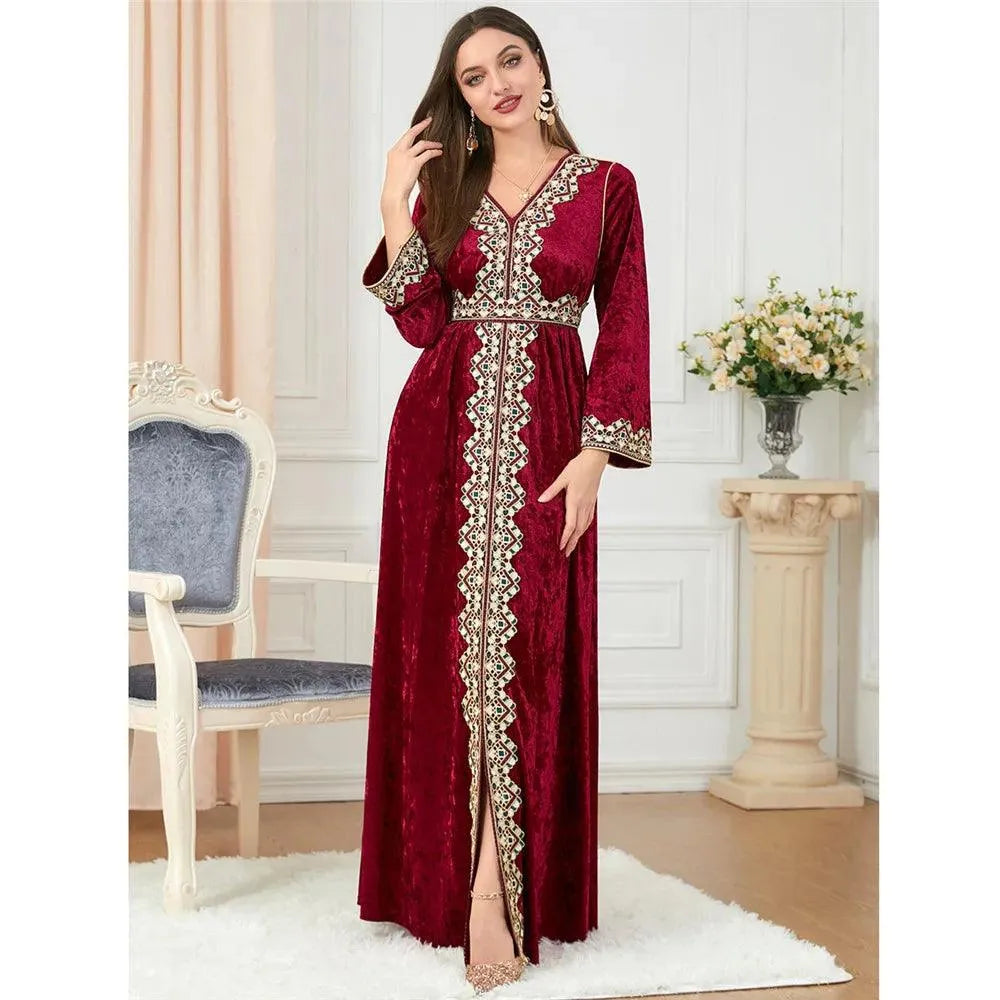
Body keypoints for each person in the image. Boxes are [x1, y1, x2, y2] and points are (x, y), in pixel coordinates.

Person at [357, 5, 651, 993]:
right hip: (437, 440)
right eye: (474, 78)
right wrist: (394, 203)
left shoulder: (606, 188)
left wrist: (597, 453)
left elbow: (624, 323)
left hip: (552, 439)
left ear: (539, 64)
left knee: (525, 651)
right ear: (463, 99)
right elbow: (420, 323)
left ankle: (504, 884)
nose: (498, 86)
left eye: (509, 61)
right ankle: (471, 888)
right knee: (451, 655)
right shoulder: (449, 183)